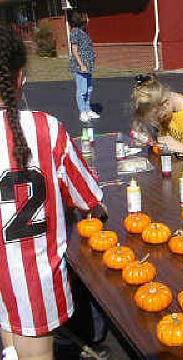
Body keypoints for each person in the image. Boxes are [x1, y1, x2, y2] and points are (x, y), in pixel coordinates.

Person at [0, 27, 105, 359]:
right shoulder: (46, 128)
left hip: (5, 279)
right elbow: (89, 197)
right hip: (36, 281)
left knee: (11, 337)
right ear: (20, 76)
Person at [69, 10, 100, 123]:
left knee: (89, 89)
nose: (89, 20)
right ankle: (82, 112)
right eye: (87, 18)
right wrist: (81, 65)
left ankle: (88, 110)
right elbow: (74, 50)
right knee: (82, 90)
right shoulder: (75, 32)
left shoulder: (84, 31)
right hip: (80, 67)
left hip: (88, 66)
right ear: (81, 19)